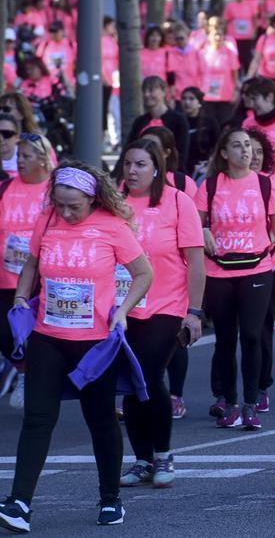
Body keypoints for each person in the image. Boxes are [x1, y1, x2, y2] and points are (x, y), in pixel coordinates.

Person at [0, 163, 152, 532]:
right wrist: (21, 296)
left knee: (100, 421)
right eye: (60, 204)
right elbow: (32, 264)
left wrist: (123, 312)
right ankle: (19, 503)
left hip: (94, 345)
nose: (66, 213)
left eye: (74, 207)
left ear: (92, 197)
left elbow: (144, 273)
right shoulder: (47, 220)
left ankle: (110, 500)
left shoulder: (112, 226)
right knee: (37, 419)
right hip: (47, 338)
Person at [196, 128, 275, 430]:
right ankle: (230, 404)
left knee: (253, 336)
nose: (246, 151)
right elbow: (194, 223)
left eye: (248, 146)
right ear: (225, 154)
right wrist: (203, 231)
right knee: (226, 340)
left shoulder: (266, 185)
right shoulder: (212, 186)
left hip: (257, 269)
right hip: (219, 272)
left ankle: (251, 404)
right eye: (238, 146)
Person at [115, 139, 205, 489]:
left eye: (140, 164)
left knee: (148, 375)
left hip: (167, 305)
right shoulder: (114, 204)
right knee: (130, 384)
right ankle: (141, 459)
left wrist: (194, 312)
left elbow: (196, 261)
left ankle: (164, 454)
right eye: (127, 164)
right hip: (125, 307)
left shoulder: (178, 202)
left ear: (157, 168)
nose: (132, 170)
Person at [0, 133, 54, 409]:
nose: (19, 161)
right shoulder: (6, 187)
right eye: (18, 156)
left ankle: (39, 384)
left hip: (41, 279)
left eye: (26, 156)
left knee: (40, 338)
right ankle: (22, 372)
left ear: (43, 160)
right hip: (6, 277)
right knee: (4, 334)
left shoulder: (54, 192)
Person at [127, 77, 189, 157]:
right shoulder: (139, 121)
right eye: (144, 91)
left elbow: (181, 153)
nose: (146, 94)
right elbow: (128, 148)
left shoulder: (178, 119)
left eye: (151, 90)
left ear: (164, 92)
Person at [180, 87, 220, 176]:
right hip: (181, 169)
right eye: (184, 98)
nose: (187, 102)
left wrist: (209, 163)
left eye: (191, 99)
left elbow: (218, 146)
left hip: (204, 168)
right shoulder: (177, 122)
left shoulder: (210, 122)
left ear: (200, 102)